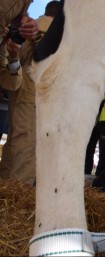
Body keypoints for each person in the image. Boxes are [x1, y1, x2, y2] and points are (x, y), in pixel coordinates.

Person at [0, 1, 59, 185]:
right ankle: (15, 200)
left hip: (20, 89)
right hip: (34, 96)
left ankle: (6, 194)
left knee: (15, 145)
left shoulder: (30, 24)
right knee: (27, 148)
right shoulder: (52, 30)